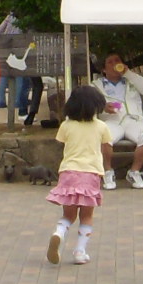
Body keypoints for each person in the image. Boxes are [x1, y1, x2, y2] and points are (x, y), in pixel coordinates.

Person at [47, 83, 110, 265]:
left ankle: (58, 232)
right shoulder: (101, 127)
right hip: (90, 174)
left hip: (68, 172)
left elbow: (61, 143)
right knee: (87, 215)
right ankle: (80, 251)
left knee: (68, 214)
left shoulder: (66, 126)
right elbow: (107, 147)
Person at [98, 53, 143, 190]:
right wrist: (103, 108)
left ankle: (134, 172)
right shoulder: (96, 85)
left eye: (117, 61)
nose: (114, 64)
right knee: (102, 136)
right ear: (104, 70)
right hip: (111, 121)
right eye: (110, 62)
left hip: (133, 121)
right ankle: (107, 172)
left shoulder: (132, 80)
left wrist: (128, 73)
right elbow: (88, 103)